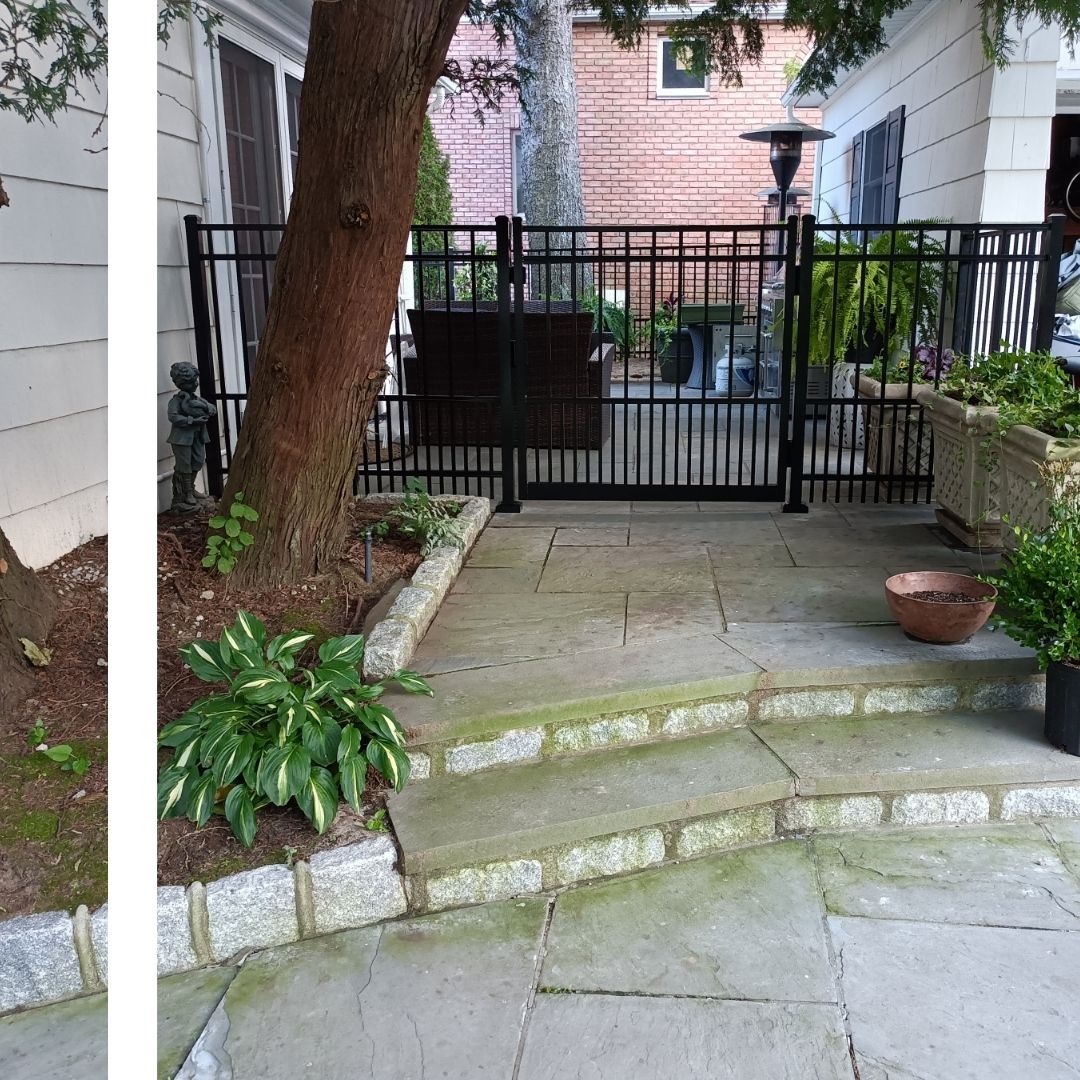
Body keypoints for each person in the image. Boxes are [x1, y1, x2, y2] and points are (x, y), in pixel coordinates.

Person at [167, 362, 216, 513]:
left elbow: (212, 409)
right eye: (191, 382)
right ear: (181, 383)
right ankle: (186, 493)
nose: (195, 384)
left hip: (198, 436)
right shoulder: (177, 401)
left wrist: (205, 408)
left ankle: (191, 488)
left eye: (195, 381)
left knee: (198, 460)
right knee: (184, 465)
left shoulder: (197, 399)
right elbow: (173, 417)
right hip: (181, 438)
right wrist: (192, 421)